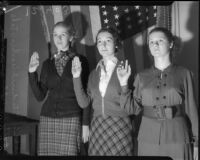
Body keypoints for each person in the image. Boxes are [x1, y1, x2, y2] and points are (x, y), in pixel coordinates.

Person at [71, 27, 139, 156]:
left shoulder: (125, 69)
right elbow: (84, 103)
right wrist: (76, 77)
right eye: (99, 41)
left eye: (108, 40)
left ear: (116, 43)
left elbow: (133, 108)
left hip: (120, 127)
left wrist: (124, 83)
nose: (103, 45)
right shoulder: (93, 74)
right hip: (97, 126)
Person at [133, 27, 198, 160]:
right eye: (151, 42)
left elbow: (192, 109)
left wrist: (197, 142)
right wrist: (123, 85)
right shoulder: (141, 76)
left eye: (160, 41)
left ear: (171, 44)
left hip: (178, 135)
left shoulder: (185, 73)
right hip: (148, 137)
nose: (155, 45)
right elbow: (133, 108)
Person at [28, 21, 90, 155]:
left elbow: (86, 95)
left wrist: (85, 124)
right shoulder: (47, 64)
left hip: (71, 117)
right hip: (47, 118)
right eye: (55, 35)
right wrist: (32, 72)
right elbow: (40, 96)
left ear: (71, 37)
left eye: (63, 34)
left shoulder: (81, 61)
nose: (58, 38)